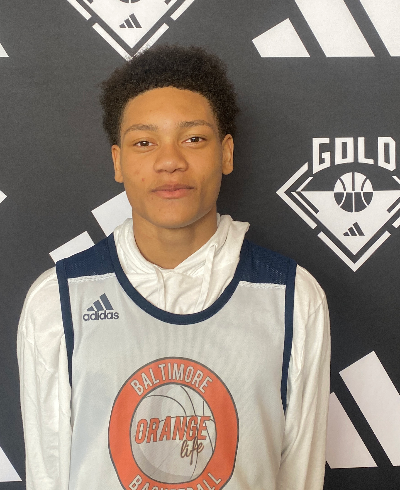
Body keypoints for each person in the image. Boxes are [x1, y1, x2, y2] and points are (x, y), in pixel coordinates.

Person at [18, 45, 330, 490]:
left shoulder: (292, 297)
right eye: (144, 143)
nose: (169, 161)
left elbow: (300, 478)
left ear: (226, 153)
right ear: (118, 161)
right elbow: (48, 476)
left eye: (193, 139)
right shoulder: (58, 300)